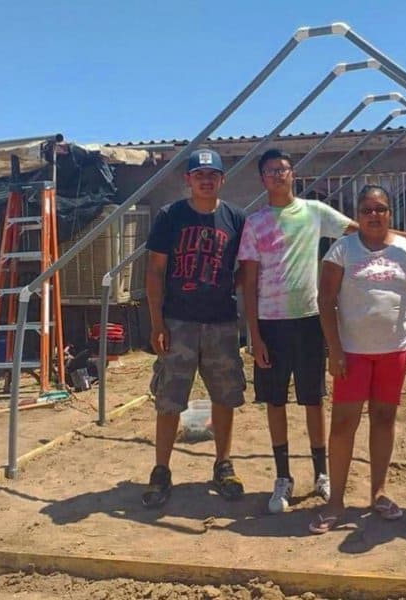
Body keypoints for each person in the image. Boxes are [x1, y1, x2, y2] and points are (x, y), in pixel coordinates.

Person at [238, 148, 406, 514]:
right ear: (262, 179)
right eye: (270, 171)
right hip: (270, 322)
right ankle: (283, 477)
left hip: (309, 321)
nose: (278, 175)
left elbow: (364, 227)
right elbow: (248, 281)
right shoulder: (255, 223)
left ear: (293, 174)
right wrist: (253, 335)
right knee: (275, 402)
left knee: (313, 400)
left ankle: (321, 473)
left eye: (283, 169)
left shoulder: (313, 212)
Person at [308, 185, 406, 534]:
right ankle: (335, 502)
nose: (373, 215)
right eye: (366, 210)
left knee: (383, 418)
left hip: (394, 351)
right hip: (353, 354)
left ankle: (378, 493)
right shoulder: (342, 251)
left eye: (380, 209)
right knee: (344, 424)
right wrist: (334, 349)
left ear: (390, 213)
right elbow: (326, 301)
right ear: (357, 215)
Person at [142, 148, 247, 508]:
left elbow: (245, 267)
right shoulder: (171, 216)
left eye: (212, 174)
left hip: (220, 322)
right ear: (187, 180)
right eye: (199, 175)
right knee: (169, 398)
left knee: (224, 396)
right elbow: (155, 271)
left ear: (222, 179)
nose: (206, 180)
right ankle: (161, 469)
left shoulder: (236, 218)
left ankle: (223, 463)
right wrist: (157, 322)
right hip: (179, 322)